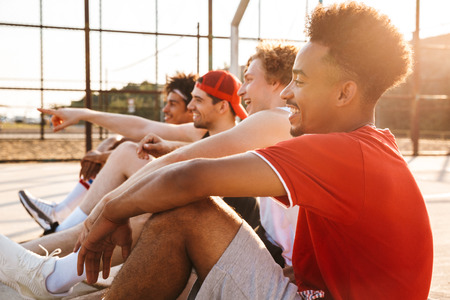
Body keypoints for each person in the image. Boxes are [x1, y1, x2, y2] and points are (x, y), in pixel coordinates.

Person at [74, 3, 433, 299]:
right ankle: (58, 272)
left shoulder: (344, 151)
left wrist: (111, 210)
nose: (289, 93)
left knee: (187, 212)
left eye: (301, 81)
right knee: (182, 221)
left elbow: (191, 175)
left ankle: (50, 271)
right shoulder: (369, 147)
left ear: (344, 93)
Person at [0, 41, 300, 299]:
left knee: (173, 201)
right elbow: (165, 144)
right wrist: (85, 114)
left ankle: (47, 269)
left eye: (248, 78)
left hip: (272, 259)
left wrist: (109, 208)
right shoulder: (281, 125)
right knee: (156, 189)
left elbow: (185, 170)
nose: (243, 88)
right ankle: (45, 268)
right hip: (269, 251)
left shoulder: (278, 120)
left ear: (276, 82)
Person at [18, 72, 199, 234]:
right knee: (116, 143)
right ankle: (63, 217)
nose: (165, 109)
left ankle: (63, 220)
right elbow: (140, 127)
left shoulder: (203, 133)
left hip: (178, 198)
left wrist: (102, 156)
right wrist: (85, 116)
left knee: (125, 152)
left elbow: (177, 153)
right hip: (167, 187)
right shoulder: (188, 130)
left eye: (173, 104)